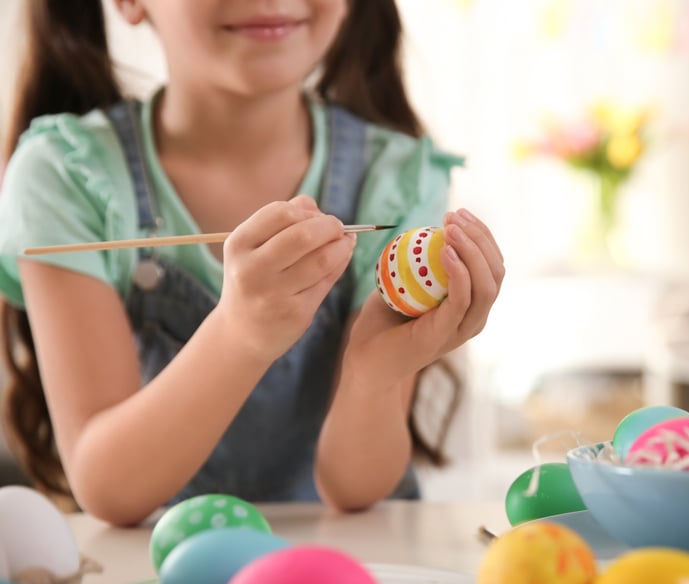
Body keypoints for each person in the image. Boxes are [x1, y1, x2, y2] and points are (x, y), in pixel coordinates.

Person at [0, 0, 504, 526]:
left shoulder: (397, 178)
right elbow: (108, 487)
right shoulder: (64, 177)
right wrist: (240, 334)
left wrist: (373, 374)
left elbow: (356, 489)